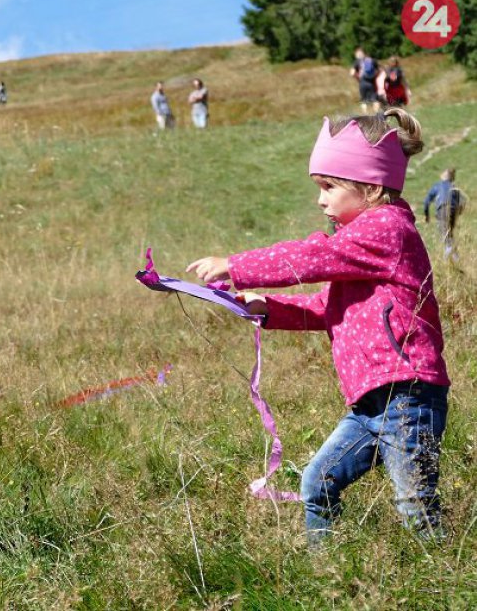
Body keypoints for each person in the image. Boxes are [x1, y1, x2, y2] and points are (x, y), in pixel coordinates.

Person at [187, 108, 450, 546]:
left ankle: (445, 579)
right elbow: (324, 308)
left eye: (329, 186)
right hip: (369, 406)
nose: (320, 199)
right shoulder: (362, 247)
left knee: (415, 507)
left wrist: (236, 265)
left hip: (405, 395)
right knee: (317, 484)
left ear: (370, 186)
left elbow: (312, 259)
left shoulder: (386, 229)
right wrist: (268, 309)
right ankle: (323, 572)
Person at [424, 168, 466, 261]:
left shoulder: (438, 185)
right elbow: (463, 202)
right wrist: (458, 213)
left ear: (443, 176)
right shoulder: (454, 187)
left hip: (442, 210)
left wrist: (427, 216)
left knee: (445, 236)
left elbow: (426, 201)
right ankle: (454, 259)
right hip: (453, 211)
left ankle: (450, 259)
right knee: (449, 235)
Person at [351, 47, 382, 114]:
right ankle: (377, 115)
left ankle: (365, 115)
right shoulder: (372, 60)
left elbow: (352, 73)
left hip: (362, 83)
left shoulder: (357, 62)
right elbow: (379, 70)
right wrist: (375, 76)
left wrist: (358, 78)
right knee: (375, 100)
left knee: (363, 100)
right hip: (372, 83)